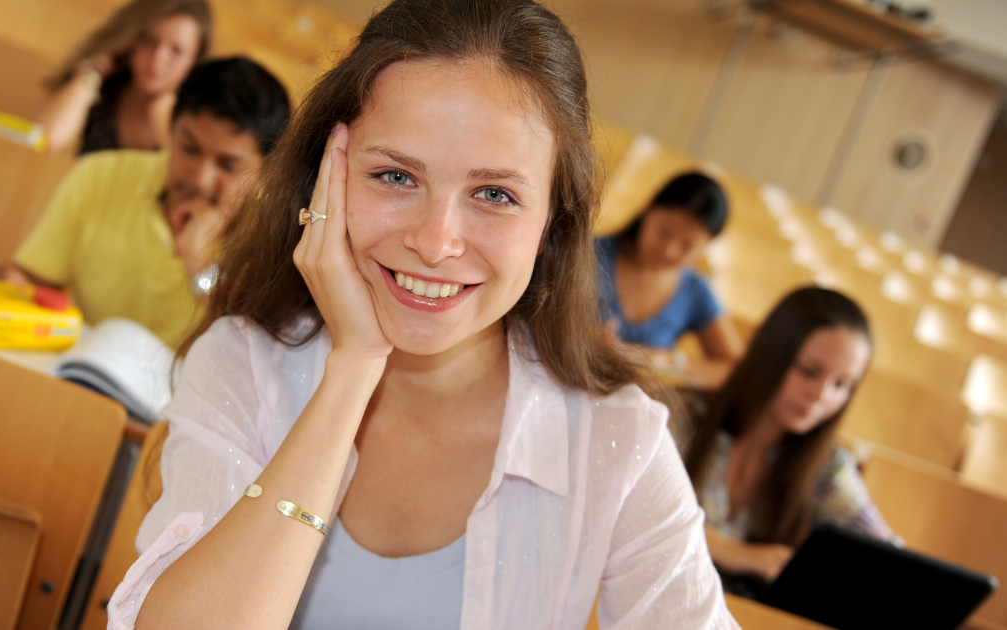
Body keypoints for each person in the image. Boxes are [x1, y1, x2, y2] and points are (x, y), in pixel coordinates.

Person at [107, 1, 737, 628]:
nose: (437, 242)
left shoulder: (614, 438)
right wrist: (352, 370)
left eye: (494, 194)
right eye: (394, 176)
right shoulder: (242, 361)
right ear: (325, 184)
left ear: (553, 222)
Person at [7, 57, 290, 346]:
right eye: (189, 148)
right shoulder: (100, 176)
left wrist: (202, 267)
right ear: (170, 128)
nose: (201, 178)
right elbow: (34, 281)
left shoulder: (275, 238)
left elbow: (249, 349)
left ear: (267, 172)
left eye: (228, 165)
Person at [680, 287, 895, 590]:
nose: (821, 395)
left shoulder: (827, 465)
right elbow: (636, 514)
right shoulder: (683, 418)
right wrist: (736, 553)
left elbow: (885, 555)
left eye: (842, 384)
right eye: (809, 371)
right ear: (771, 355)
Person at [595, 172, 742, 389]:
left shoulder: (695, 290)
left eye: (687, 245)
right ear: (647, 209)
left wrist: (664, 361)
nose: (669, 250)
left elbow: (735, 368)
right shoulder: (589, 254)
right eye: (663, 232)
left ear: (706, 247)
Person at [35, 0, 212, 154]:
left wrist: (161, 114)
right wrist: (91, 75)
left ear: (195, 62)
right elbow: (46, 140)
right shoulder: (106, 89)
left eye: (176, 51)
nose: (158, 59)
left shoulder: (192, 120)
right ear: (131, 39)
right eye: (150, 41)